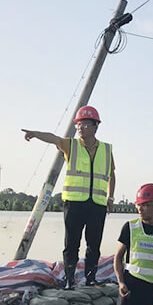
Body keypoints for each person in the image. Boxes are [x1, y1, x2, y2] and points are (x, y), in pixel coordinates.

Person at [22, 105, 116, 288]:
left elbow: (112, 173)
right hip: (74, 204)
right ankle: (70, 279)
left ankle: (91, 278)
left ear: (95, 126)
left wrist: (110, 198)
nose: (80, 128)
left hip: (97, 205)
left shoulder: (106, 149)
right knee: (71, 243)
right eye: (78, 124)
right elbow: (53, 138)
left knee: (94, 244)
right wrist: (35, 134)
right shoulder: (71, 145)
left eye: (85, 124)